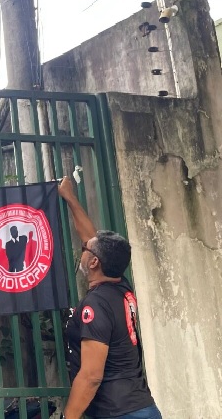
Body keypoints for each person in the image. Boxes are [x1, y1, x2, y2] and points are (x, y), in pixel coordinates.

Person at [58, 176, 161, 419]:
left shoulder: (96, 304)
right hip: (141, 406)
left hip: (118, 412)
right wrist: (70, 197)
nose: (83, 248)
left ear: (94, 262)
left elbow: (91, 376)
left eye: (86, 249)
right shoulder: (120, 286)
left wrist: (68, 416)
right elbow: (92, 239)